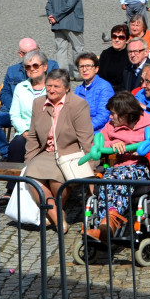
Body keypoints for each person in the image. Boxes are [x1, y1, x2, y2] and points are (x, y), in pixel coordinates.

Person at [88, 92, 150, 242]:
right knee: (108, 180)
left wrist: (149, 148)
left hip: (144, 167)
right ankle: (108, 222)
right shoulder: (111, 126)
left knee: (118, 177)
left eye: (113, 114)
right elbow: (96, 144)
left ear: (126, 114)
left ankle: (108, 222)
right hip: (119, 167)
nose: (110, 117)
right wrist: (113, 145)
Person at [22, 69, 94, 233]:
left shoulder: (78, 104)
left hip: (69, 153)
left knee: (57, 184)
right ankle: (58, 218)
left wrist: (92, 167)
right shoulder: (38, 103)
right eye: (49, 86)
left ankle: (52, 212)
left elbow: (86, 138)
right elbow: (33, 135)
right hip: (45, 153)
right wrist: (29, 160)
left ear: (67, 88)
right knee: (32, 179)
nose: (51, 90)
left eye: (56, 86)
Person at [5, 50, 51, 164]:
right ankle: (13, 180)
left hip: (49, 133)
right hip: (25, 132)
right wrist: (25, 132)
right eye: (28, 67)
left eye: (35, 65)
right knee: (16, 145)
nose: (32, 69)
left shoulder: (53, 87)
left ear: (45, 67)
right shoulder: (20, 88)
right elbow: (15, 115)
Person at [46, 0, 85, 73]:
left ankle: (62, 74)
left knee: (61, 50)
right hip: (72, 23)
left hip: (58, 25)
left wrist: (51, 16)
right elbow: (70, 5)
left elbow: (48, 5)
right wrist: (56, 17)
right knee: (78, 48)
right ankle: (78, 73)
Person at [74, 52, 115, 131]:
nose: (84, 69)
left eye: (88, 66)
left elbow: (103, 117)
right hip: (80, 129)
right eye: (81, 66)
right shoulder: (78, 90)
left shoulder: (105, 87)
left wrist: (83, 129)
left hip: (99, 131)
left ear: (96, 69)